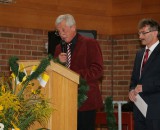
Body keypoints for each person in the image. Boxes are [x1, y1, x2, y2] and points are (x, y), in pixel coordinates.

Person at [53, 14, 103, 130]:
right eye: (58, 31)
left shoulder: (90, 44)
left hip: (85, 101)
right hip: (64, 100)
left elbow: (97, 70)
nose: (61, 34)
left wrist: (73, 75)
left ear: (73, 27)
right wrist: (57, 62)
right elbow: (55, 73)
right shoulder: (58, 49)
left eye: (63, 30)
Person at [129, 18, 160, 130]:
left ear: (155, 32)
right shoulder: (139, 54)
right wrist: (132, 90)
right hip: (139, 111)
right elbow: (134, 79)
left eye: (144, 33)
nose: (140, 37)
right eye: (139, 33)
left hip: (156, 112)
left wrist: (145, 87)